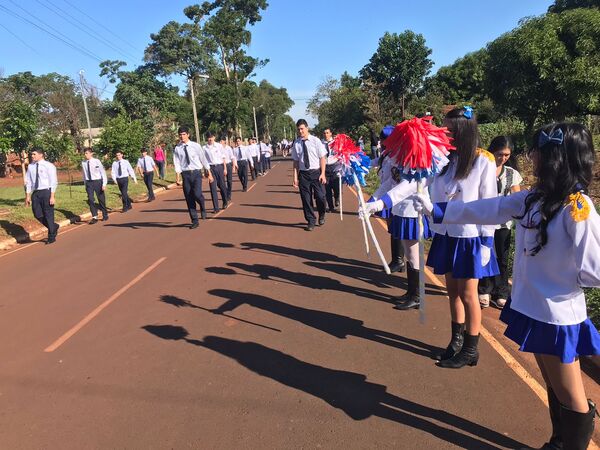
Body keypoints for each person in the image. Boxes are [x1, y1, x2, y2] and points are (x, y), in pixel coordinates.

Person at [413, 122, 600, 449]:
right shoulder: (533, 199)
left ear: (557, 157)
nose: (533, 158)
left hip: (557, 317)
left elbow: (594, 270)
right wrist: (438, 210)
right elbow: (488, 208)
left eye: (539, 153)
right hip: (530, 307)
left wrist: (563, 278)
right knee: (554, 388)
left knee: (572, 397)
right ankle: (558, 442)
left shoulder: (578, 207)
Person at [365, 107, 499, 368]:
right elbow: (411, 184)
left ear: (462, 131)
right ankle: (456, 341)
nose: (444, 132)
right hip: (446, 234)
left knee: (469, 294)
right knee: (453, 292)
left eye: (448, 128)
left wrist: (487, 242)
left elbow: (490, 205)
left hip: (470, 236)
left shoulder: (483, 160)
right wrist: (379, 204)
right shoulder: (441, 159)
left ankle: (471, 348)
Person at [478, 136, 523, 309]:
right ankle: (484, 289)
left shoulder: (512, 174)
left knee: (503, 258)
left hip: (504, 224)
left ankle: (502, 291)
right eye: (499, 154)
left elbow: (517, 197)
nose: (502, 158)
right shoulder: (483, 169)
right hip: (485, 221)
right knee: (485, 256)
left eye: (506, 155)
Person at [173, 126, 213, 229]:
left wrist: (209, 173)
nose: (182, 136)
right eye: (180, 134)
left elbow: (203, 159)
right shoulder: (177, 148)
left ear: (188, 135)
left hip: (196, 173)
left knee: (197, 194)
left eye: (184, 134)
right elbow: (177, 162)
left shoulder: (196, 146)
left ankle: (202, 205)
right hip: (185, 174)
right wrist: (177, 176)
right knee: (189, 197)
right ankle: (194, 220)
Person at [291, 119, 327, 231]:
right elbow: (296, 162)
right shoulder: (296, 144)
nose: (300, 131)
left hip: (316, 173)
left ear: (307, 128)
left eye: (302, 128)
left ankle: (322, 214)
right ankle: (311, 220)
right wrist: (295, 177)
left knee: (321, 196)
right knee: (306, 199)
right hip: (304, 174)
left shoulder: (316, 141)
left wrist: (323, 173)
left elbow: (322, 157)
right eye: (298, 129)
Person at [25, 148, 59, 244]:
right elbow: (28, 181)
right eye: (32, 154)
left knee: (48, 214)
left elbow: (53, 181)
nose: (32, 156)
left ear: (41, 155)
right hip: (36, 193)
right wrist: (28, 195)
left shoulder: (49, 166)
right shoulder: (31, 167)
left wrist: (52, 196)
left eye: (34, 154)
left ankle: (51, 236)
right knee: (37, 214)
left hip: (46, 192)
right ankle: (53, 226)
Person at [203, 132, 229, 212]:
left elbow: (223, 157)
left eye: (211, 137)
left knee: (222, 186)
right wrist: (206, 171)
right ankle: (216, 207)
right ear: (207, 138)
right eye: (208, 137)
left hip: (219, 167)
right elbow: (204, 161)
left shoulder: (219, 146)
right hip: (211, 169)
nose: (210, 139)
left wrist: (225, 168)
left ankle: (225, 201)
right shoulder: (204, 148)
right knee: (212, 188)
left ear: (214, 137)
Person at [82, 148, 108, 224]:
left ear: (91, 153)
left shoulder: (97, 161)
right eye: (85, 153)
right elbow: (84, 174)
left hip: (97, 181)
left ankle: (104, 213)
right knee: (90, 199)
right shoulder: (83, 162)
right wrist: (85, 183)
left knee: (101, 199)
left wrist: (104, 184)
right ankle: (94, 216)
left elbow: (102, 172)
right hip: (89, 183)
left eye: (87, 153)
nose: (85, 155)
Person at [322, 128, 340, 213]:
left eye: (327, 133)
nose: (326, 134)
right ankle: (330, 207)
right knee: (327, 189)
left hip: (335, 167)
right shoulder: (321, 144)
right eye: (324, 133)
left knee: (336, 187)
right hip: (325, 167)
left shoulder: (336, 143)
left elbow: (341, 153)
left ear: (331, 134)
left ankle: (337, 197)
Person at [220, 136, 236, 202]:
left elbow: (232, 157)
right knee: (222, 182)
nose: (220, 142)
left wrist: (234, 166)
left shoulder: (228, 148)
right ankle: (225, 193)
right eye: (220, 141)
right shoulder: (218, 148)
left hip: (228, 165)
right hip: (221, 166)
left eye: (221, 141)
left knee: (229, 181)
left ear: (224, 141)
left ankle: (229, 194)